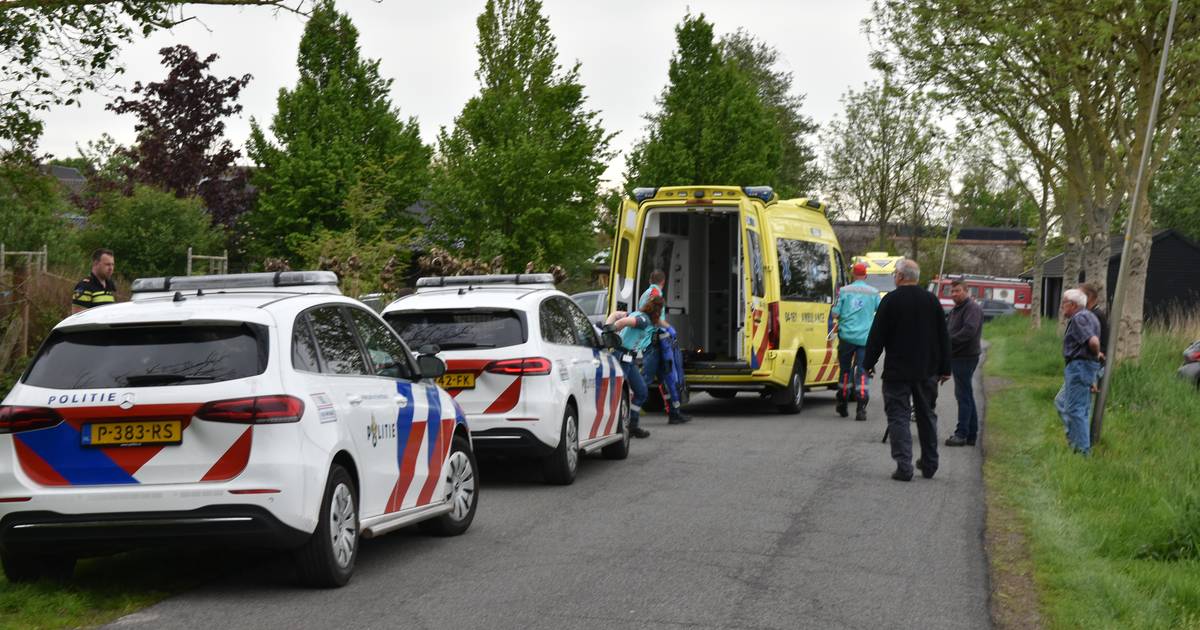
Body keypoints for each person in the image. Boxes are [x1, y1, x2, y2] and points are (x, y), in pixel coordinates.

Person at [863, 258, 951, 482]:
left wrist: (868, 362)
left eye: (894, 273)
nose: (894, 276)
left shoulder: (890, 301)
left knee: (898, 417)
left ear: (900, 277)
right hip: (926, 369)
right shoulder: (932, 301)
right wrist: (945, 368)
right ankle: (930, 463)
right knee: (926, 416)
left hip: (897, 371)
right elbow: (943, 336)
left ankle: (904, 466)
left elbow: (877, 336)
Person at [604, 294, 666, 439]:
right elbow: (624, 321)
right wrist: (610, 332)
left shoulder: (639, 314)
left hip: (628, 359)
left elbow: (616, 314)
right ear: (657, 310)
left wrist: (608, 328)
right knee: (618, 394)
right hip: (622, 357)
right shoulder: (644, 320)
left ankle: (632, 426)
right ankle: (616, 426)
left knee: (641, 391)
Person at [1055, 288, 1103, 455]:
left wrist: (1096, 354)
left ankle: (1082, 452)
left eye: (1064, 303)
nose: (1062, 307)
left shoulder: (1080, 317)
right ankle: (1078, 446)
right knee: (1080, 409)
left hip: (1080, 366)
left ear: (1073, 305)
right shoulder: (1090, 316)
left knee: (1075, 409)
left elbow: (1094, 341)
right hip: (1085, 366)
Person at [831, 262, 881, 421]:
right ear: (865, 275)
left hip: (846, 337)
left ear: (853, 275)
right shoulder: (873, 293)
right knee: (862, 370)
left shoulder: (844, 291)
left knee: (845, 370)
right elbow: (880, 313)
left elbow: (835, 313)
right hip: (865, 339)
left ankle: (843, 401)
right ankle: (861, 408)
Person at [639, 270, 689, 424]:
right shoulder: (655, 293)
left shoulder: (646, 293)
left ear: (650, 279)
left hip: (655, 343)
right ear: (664, 281)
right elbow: (655, 319)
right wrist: (669, 328)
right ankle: (630, 414)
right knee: (645, 380)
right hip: (653, 343)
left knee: (667, 379)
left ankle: (674, 412)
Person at [945, 279, 983, 447]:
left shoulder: (972, 308)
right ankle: (971, 434)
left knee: (963, 395)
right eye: (952, 291)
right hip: (956, 356)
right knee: (966, 394)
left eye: (957, 291)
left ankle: (961, 434)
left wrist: (948, 341)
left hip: (966, 356)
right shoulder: (956, 309)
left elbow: (969, 331)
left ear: (966, 291)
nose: (954, 294)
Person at [71, 248, 117, 313]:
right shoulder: (85, 286)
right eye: (107, 264)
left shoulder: (110, 285)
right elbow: (78, 318)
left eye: (113, 264)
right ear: (95, 263)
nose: (111, 268)